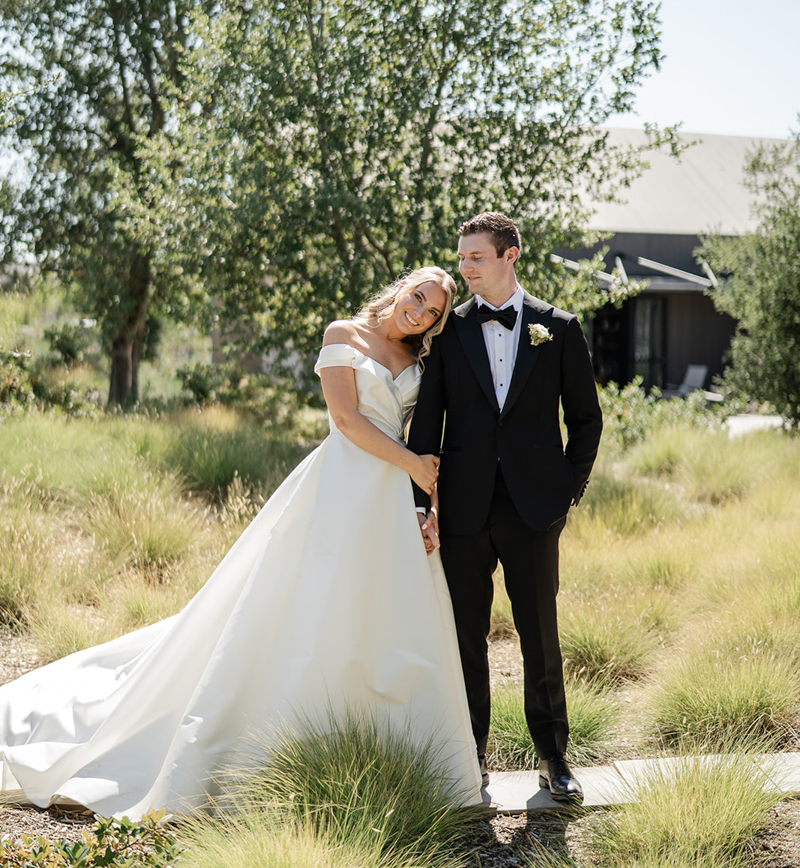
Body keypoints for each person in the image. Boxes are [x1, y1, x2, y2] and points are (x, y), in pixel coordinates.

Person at [0, 268, 482, 818]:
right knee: (312, 606)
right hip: (342, 487)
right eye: (417, 297)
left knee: (389, 616)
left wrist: (429, 503)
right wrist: (413, 467)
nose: (419, 313)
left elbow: (426, 440)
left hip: (395, 498)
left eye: (433, 312)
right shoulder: (342, 335)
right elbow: (346, 420)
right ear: (401, 288)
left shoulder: (421, 362)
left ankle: (387, 750)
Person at [408, 213, 603, 802]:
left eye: (475, 258)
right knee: (466, 636)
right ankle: (473, 756)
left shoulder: (559, 328)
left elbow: (586, 418)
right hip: (462, 512)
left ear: (509, 256)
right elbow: (427, 426)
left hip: (534, 509)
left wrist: (566, 490)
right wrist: (424, 505)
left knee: (539, 633)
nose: (464, 268)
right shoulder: (447, 334)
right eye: (461, 258)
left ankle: (553, 757)